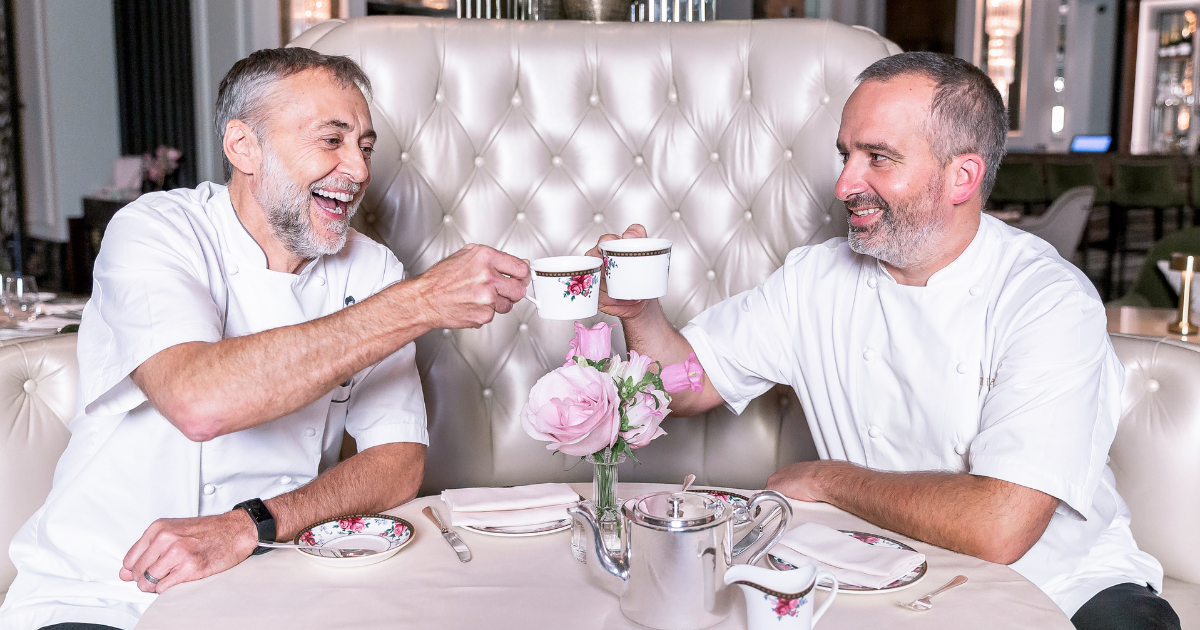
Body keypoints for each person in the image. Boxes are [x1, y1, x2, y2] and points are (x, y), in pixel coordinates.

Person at [590, 52, 1179, 630]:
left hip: (1066, 589)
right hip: (886, 577)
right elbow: (688, 382)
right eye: (846, 155)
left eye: (878, 158)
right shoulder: (814, 279)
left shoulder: (1046, 299)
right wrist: (638, 312)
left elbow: (999, 527)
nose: (846, 182)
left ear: (962, 177)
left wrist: (828, 480)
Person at [0, 48, 529, 630]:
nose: (358, 170)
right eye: (332, 140)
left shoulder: (373, 269)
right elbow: (199, 401)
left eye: (366, 146)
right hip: (103, 592)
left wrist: (254, 523)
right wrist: (422, 301)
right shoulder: (156, 230)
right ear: (242, 146)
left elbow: (397, 459)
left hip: (269, 582)